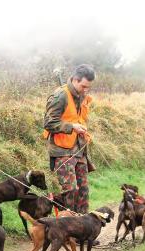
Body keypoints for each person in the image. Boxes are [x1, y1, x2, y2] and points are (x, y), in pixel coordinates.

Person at [43, 64, 95, 214]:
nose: (86, 90)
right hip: (62, 151)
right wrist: (72, 127)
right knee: (69, 192)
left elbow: (79, 117)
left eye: (89, 87)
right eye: (84, 86)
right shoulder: (59, 96)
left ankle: (84, 230)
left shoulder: (82, 96)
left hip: (79, 149)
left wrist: (81, 128)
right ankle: (66, 231)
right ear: (75, 80)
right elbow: (48, 123)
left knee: (83, 191)